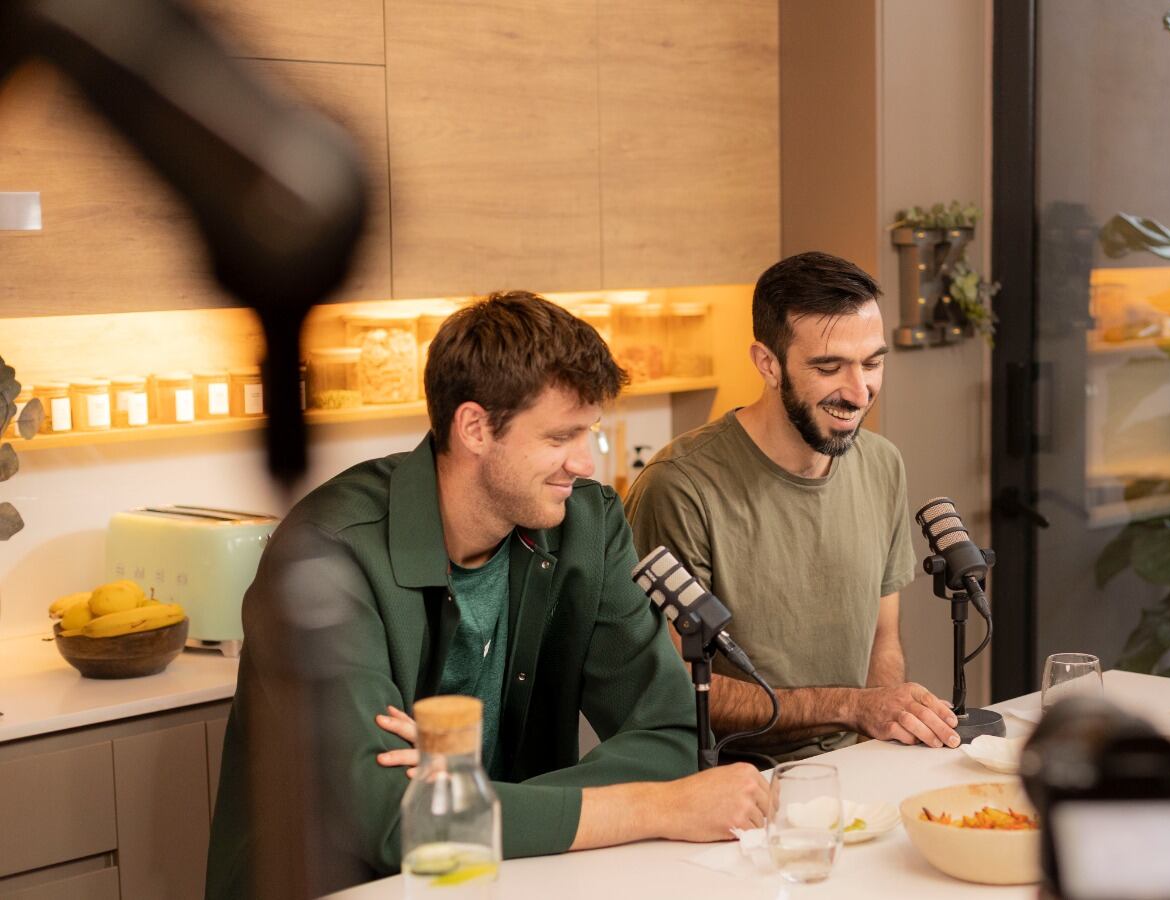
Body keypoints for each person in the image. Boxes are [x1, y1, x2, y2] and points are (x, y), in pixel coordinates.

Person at [206, 292, 770, 899]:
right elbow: (389, 820)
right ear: (474, 427)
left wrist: (463, 798)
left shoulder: (586, 524)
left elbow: (670, 732)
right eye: (561, 436)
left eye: (591, 433)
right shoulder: (326, 553)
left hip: (510, 880)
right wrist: (656, 808)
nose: (585, 463)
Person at [624, 251, 960, 761]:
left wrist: (876, 750)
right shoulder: (680, 486)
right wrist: (853, 707)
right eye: (829, 367)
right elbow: (677, 689)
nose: (858, 391)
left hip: (855, 766)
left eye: (871, 363)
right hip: (736, 783)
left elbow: (882, 642)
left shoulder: (882, 464)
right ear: (768, 364)